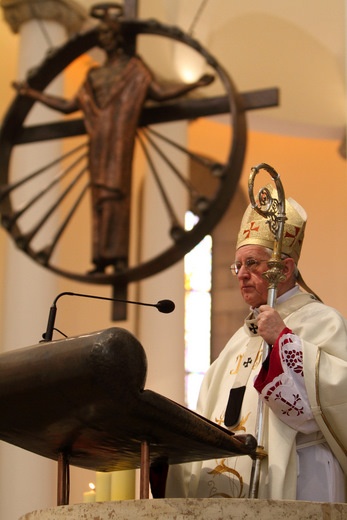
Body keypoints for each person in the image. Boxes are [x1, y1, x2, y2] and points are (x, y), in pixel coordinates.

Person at [165, 185, 347, 502]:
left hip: (303, 475)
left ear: (286, 269)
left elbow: (331, 402)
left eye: (253, 263)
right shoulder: (238, 341)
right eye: (238, 266)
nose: (242, 275)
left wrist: (284, 342)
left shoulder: (321, 321)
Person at [14, 3, 214, 274]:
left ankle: (117, 257)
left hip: (119, 146)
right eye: (102, 37)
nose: (106, 41)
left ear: (118, 39)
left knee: (115, 198)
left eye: (109, 36)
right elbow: (67, 106)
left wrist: (194, 85)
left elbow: (158, 93)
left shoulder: (134, 70)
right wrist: (31, 93)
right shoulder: (93, 75)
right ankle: (100, 259)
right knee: (99, 200)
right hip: (98, 146)